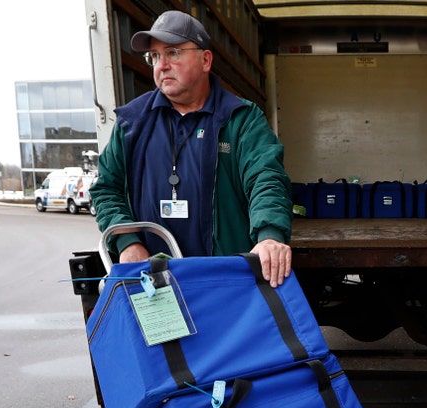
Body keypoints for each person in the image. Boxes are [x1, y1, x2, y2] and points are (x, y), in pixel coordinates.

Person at [91, 10, 294, 287]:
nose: (161, 65)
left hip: (226, 281)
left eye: (173, 52)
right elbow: (106, 189)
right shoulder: (132, 123)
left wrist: (269, 236)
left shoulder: (241, 119)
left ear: (206, 59)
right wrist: (127, 242)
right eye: (154, 56)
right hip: (154, 282)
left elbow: (266, 178)